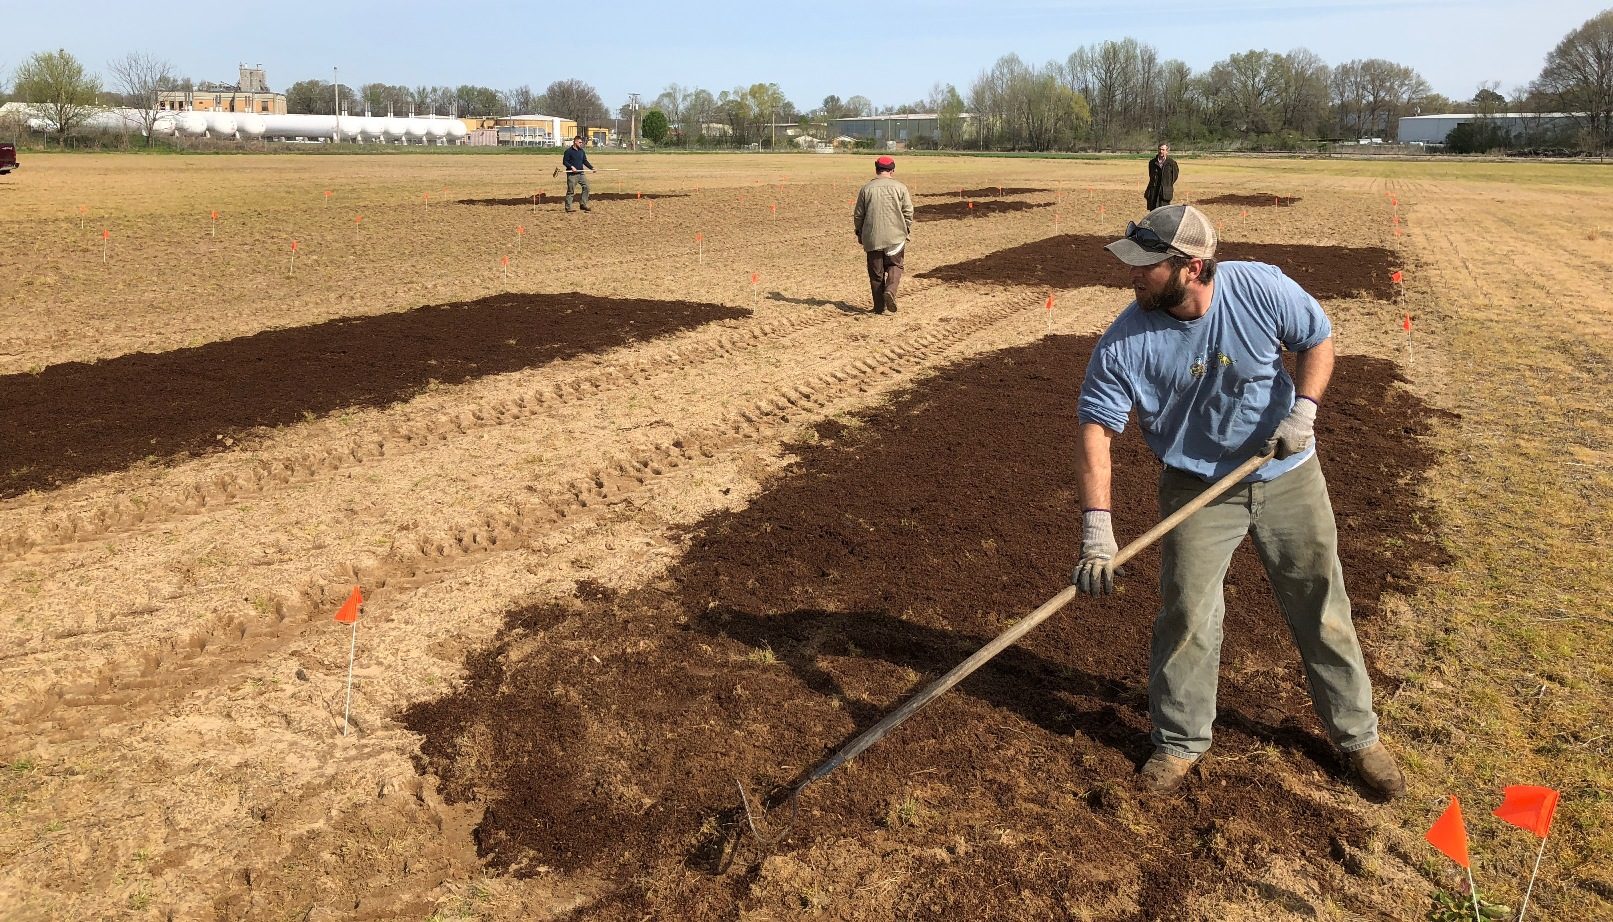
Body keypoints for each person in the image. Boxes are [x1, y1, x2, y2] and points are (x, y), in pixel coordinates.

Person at [1072, 204, 1405, 800]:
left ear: (1192, 267)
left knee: (1321, 604)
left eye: (1145, 267)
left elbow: (1318, 339)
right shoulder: (1124, 343)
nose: (1131, 276)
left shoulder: (1260, 288)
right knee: (1188, 616)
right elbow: (1096, 430)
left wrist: (1304, 410)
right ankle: (1179, 740)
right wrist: (1098, 529)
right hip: (1195, 486)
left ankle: (1357, 736)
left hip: (1285, 472)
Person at [852, 155, 914, 315]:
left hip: (872, 236)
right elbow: (908, 211)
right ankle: (891, 291)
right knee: (895, 265)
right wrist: (906, 228)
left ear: (876, 169)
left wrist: (859, 231)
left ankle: (879, 308)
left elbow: (859, 214)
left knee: (876, 273)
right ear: (892, 170)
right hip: (896, 236)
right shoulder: (900, 187)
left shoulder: (866, 189)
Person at [563, 135, 595, 213]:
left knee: (586, 187)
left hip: (581, 174)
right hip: (572, 175)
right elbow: (565, 162)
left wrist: (591, 168)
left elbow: (585, 161)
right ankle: (568, 207)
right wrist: (571, 167)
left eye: (582, 142)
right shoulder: (568, 151)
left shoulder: (581, 151)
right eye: (580, 142)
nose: (581, 144)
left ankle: (583, 204)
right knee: (571, 191)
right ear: (575, 142)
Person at [1144, 143, 1178, 211]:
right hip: (1154, 192)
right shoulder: (1152, 162)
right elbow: (1151, 176)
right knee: (1153, 214)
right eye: (1159, 149)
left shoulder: (1172, 163)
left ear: (1167, 151)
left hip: (1164, 193)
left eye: (1163, 149)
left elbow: (1174, 177)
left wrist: (1166, 185)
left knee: (1164, 213)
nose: (1161, 151)